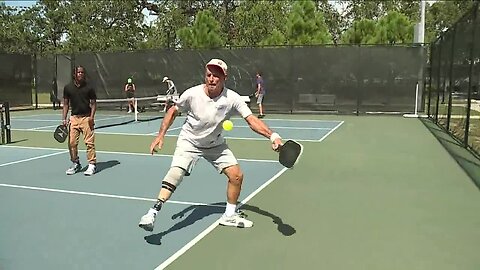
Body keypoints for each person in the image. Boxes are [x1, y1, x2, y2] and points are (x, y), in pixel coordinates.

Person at [138, 59, 283, 231]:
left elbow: (251, 120)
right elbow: (173, 111)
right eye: (209, 75)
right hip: (189, 141)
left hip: (215, 144)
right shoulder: (192, 94)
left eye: (217, 76)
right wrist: (160, 135)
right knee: (176, 173)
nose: (212, 79)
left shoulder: (233, 98)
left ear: (224, 78)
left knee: (236, 176)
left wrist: (272, 136)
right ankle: (152, 213)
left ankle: (229, 215)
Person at [62, 66, 97, 176]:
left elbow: (94, 104)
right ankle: (76, 163)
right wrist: (64, 118)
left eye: (82, 72)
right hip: (74, 118)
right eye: (78, 72)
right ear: (74, 74)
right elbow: (66, 104)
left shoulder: (89, 88)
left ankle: (92, 165)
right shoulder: (68, 88)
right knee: (72, 143)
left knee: (89, 143)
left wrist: (91, 117)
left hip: (86, 118)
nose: (80, 74)